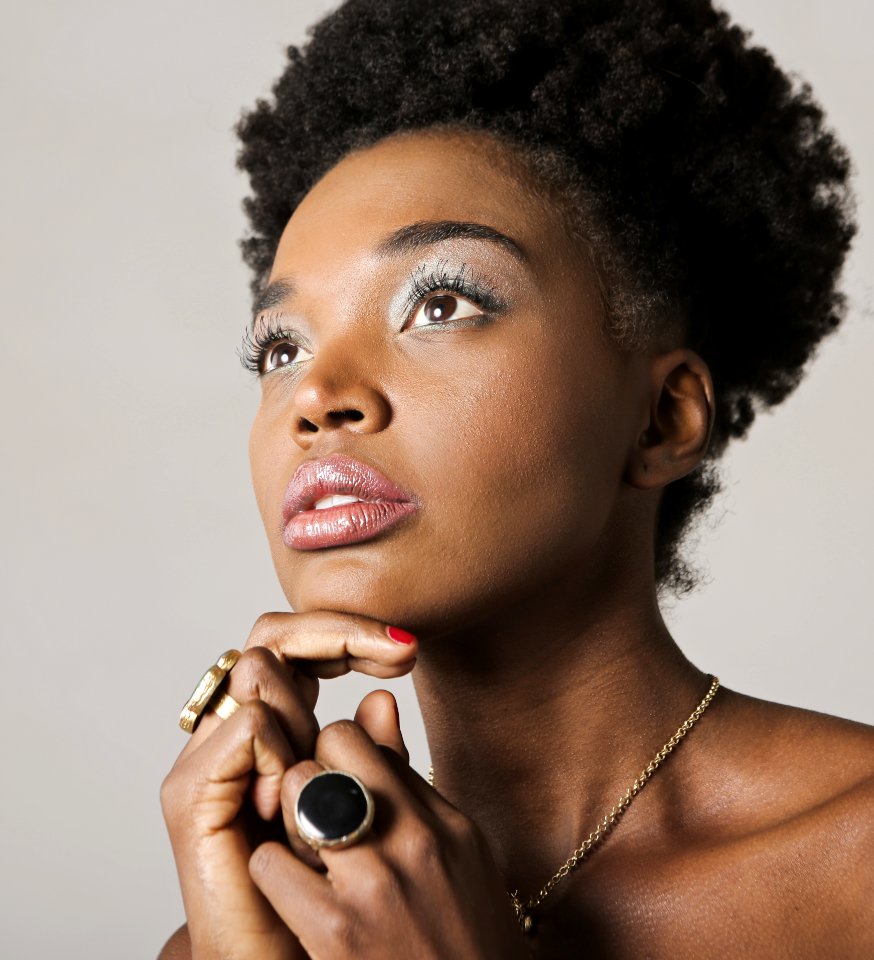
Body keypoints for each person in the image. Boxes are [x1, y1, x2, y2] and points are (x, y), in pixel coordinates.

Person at [159, 0, 874, 956]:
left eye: (440, 302)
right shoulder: (266, 925)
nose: (317, 397)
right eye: (280, 346)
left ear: (664, 420)